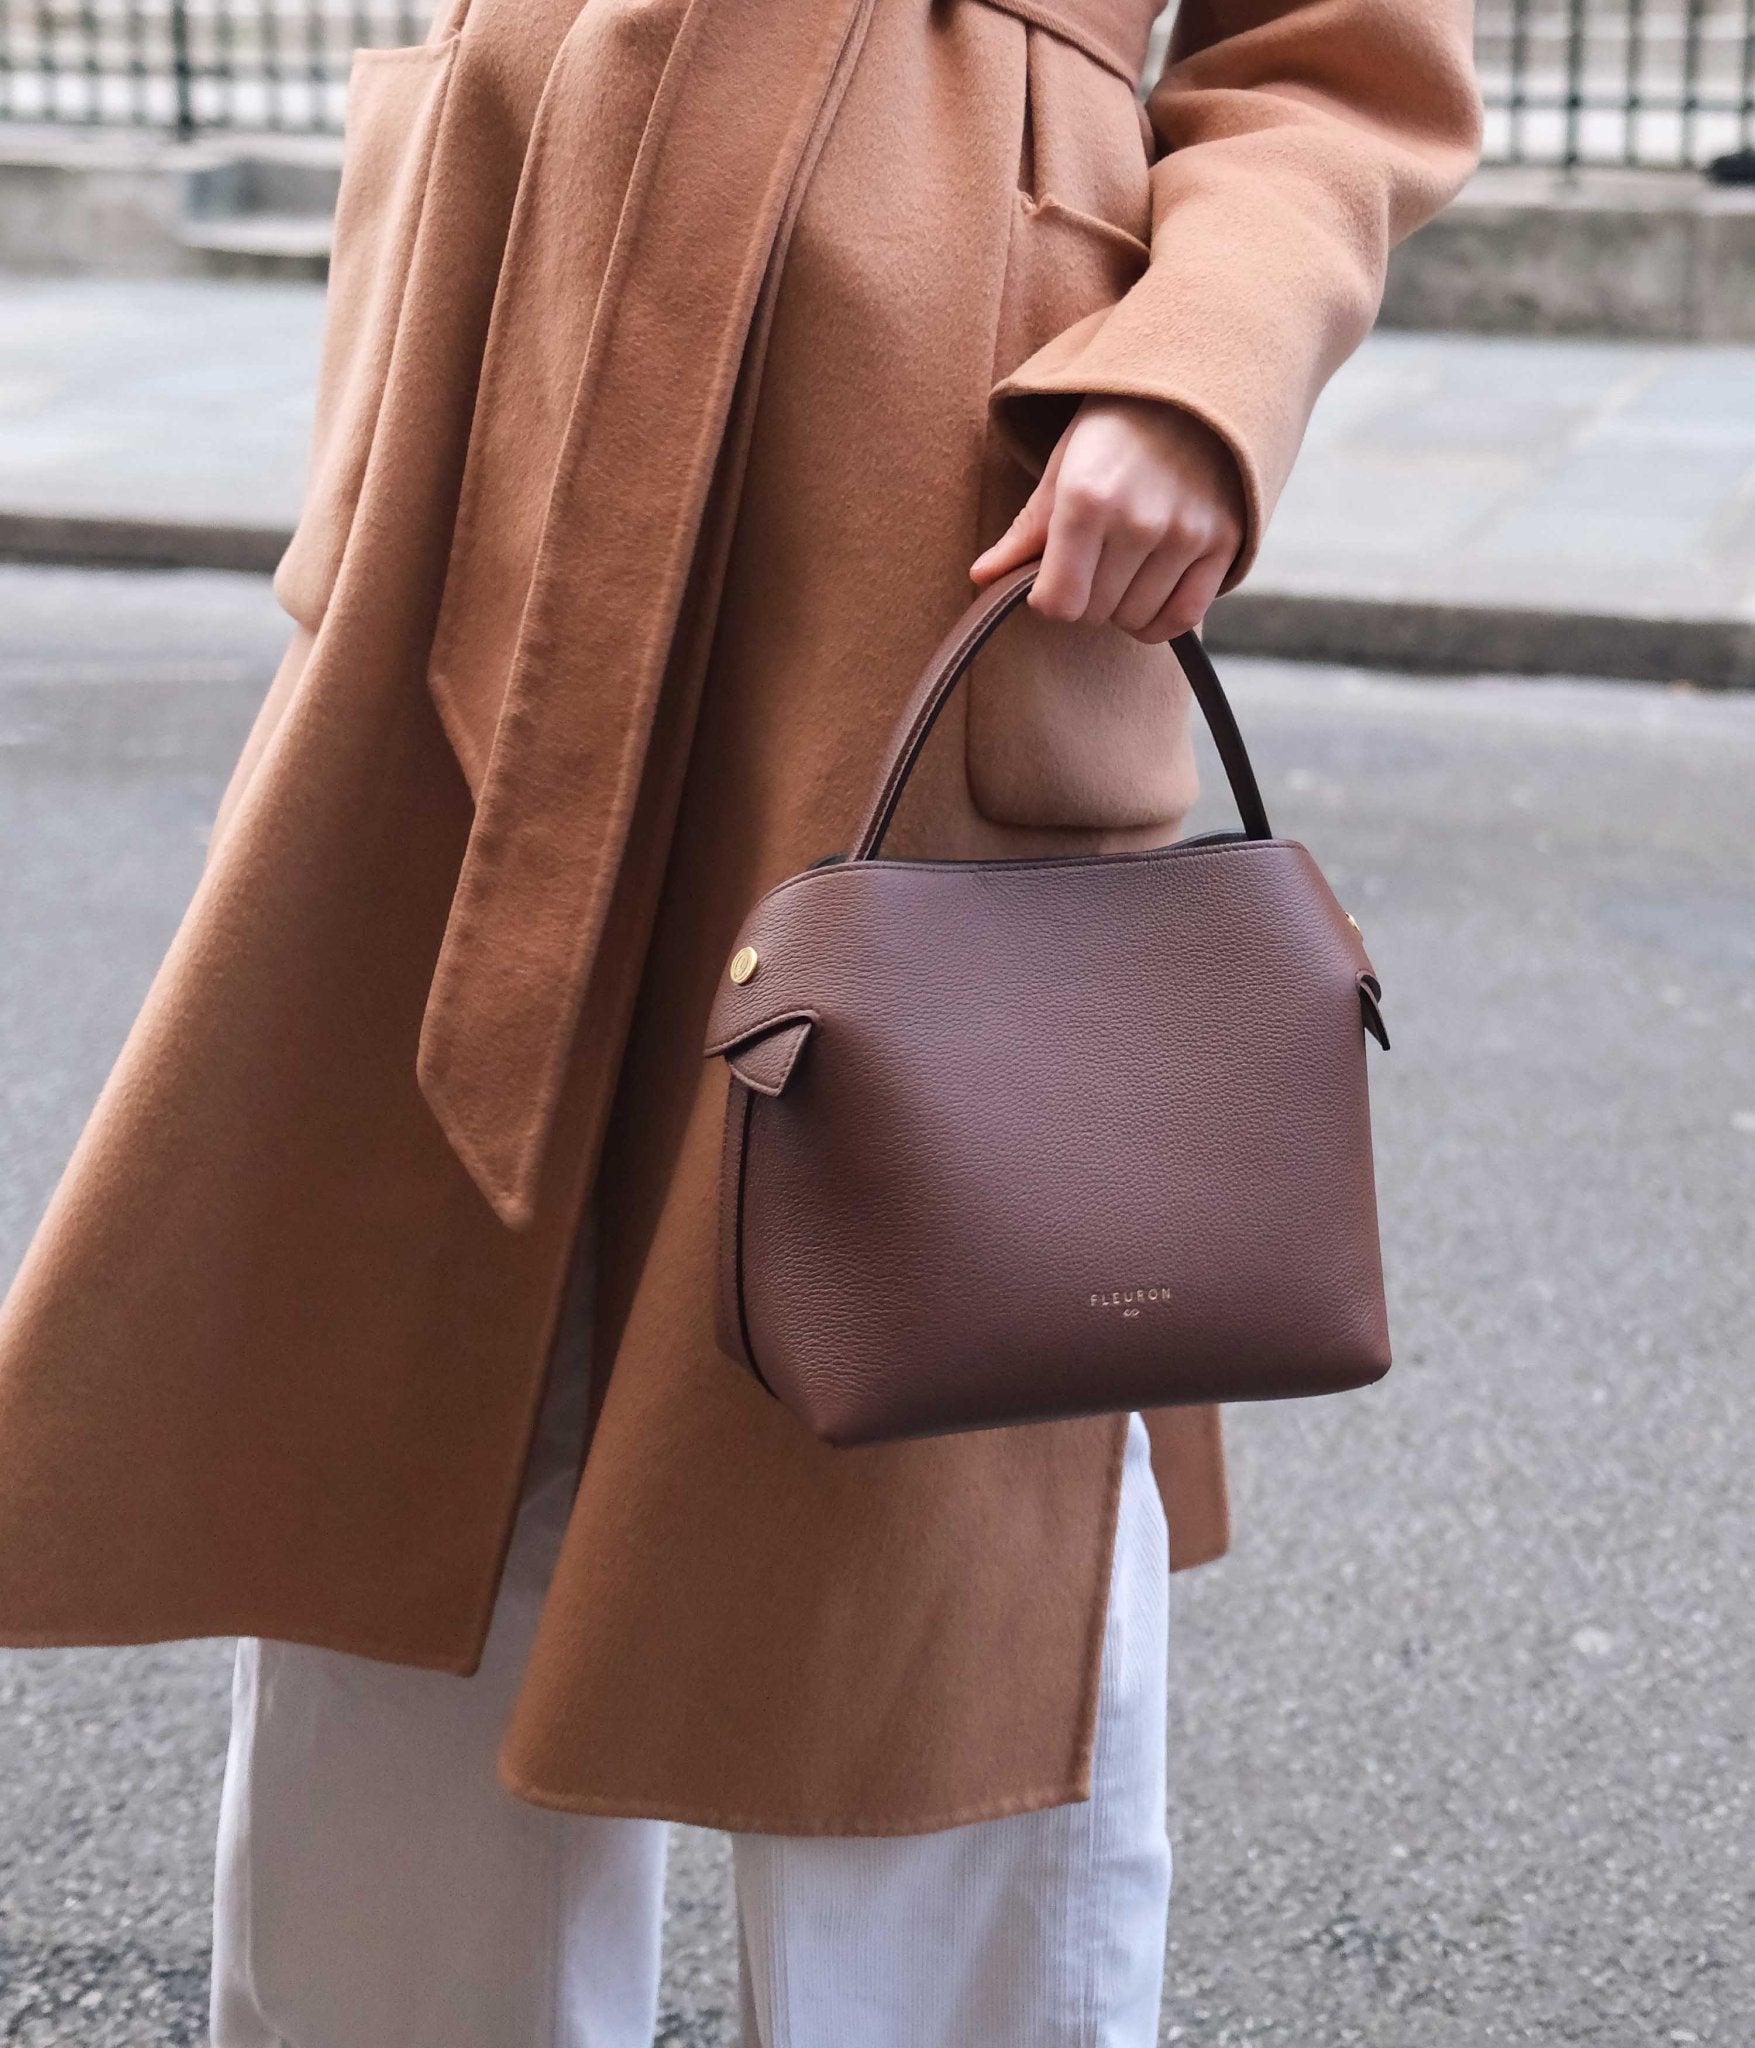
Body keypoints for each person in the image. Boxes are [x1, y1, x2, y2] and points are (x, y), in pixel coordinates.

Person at [0, 0, 1480, 2041]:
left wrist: (1201, 354)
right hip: (510, 405)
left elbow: (1334, 58)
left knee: (931, 1455)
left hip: (922, 468)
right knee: (419, 1414)